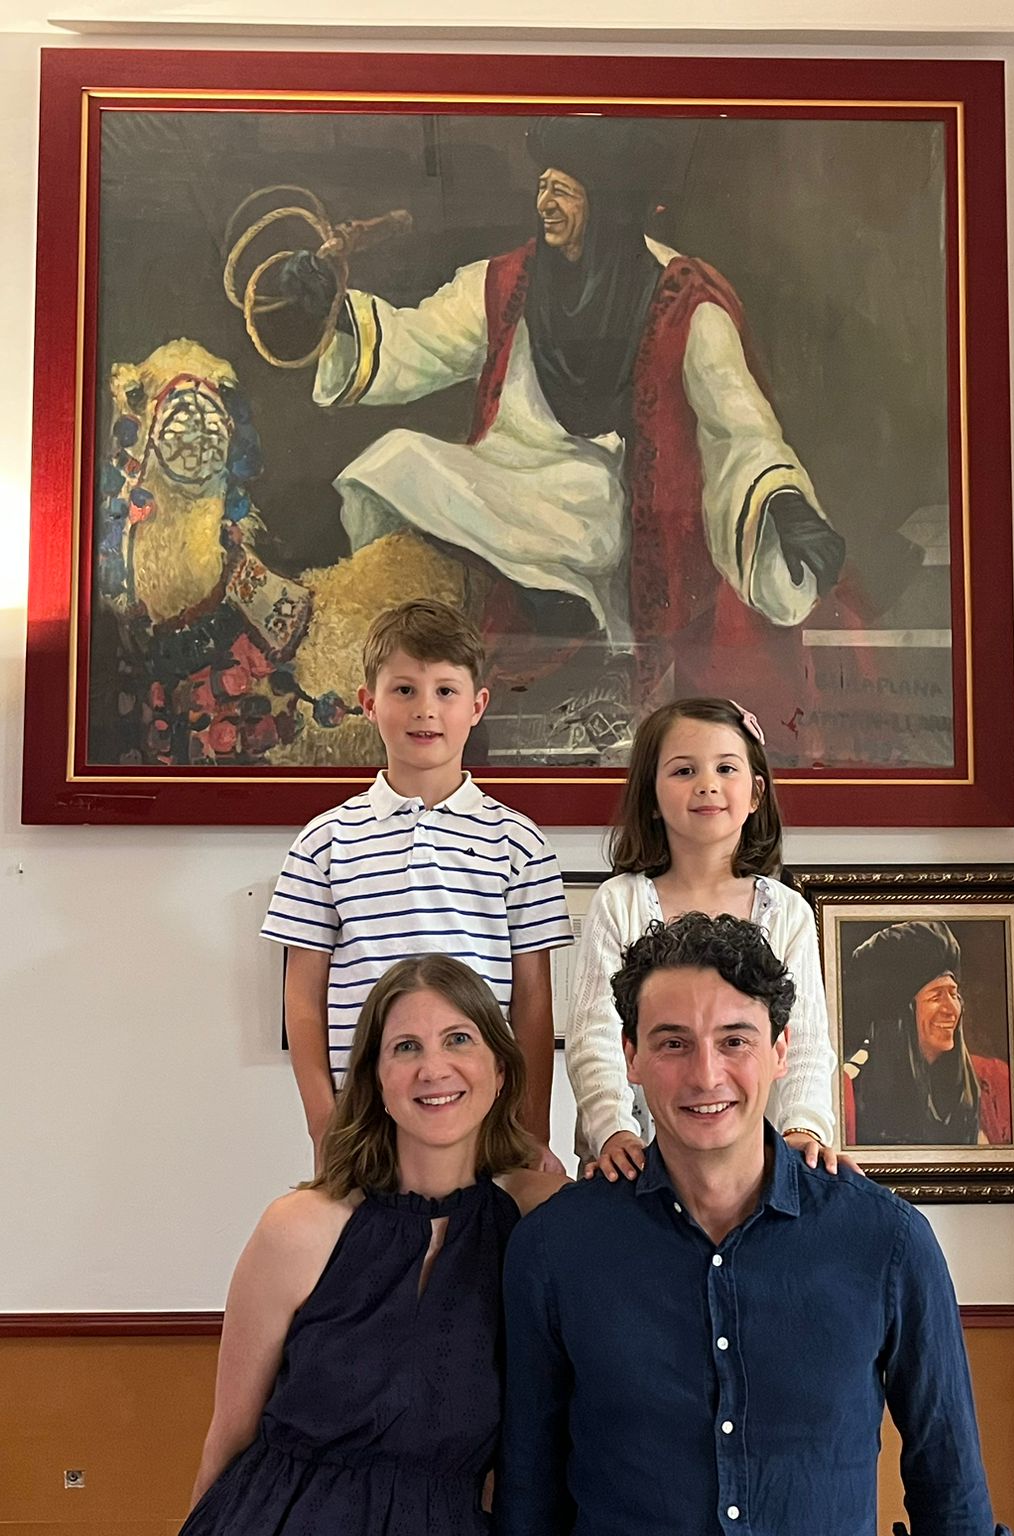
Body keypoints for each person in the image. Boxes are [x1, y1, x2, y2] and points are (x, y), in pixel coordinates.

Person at [271, 116, 847, 706]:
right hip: (505, 473)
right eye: (542, 187)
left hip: (601, 498)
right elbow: (420, 340)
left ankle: (559, 621)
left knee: (575, 518)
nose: (544, 203)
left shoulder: (684, 301)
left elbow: (739, 425)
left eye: (563, 191)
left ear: (606, 205)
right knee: (396, 457)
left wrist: (784, 501)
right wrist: (334, 309)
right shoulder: (510, 280)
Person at [499, 914, 1005, 1536]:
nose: (706, 1075)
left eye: (734, 1040)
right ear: (631, 1057)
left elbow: (952, 1496)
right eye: (673, 1043)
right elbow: (528, 1497)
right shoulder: (555, 1249)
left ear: (780, 1050)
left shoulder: (888, 1242)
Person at [182, 955, 567, 1535]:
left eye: (459, 1039)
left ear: (501, 1071)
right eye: (406, 1047)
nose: (433, 1068)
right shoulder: (297, 1228)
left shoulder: (538, 1222)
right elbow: (228, 1436)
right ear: (376, 1081)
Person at [261, 599, 571, 1170]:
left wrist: (532, 1130)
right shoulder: (323, 842)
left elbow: (533, 998)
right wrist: (323, 1124)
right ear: (369, 704)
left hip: (482, 1120)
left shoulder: (521, 843)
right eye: (404, 690)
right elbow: (302, 996)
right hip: (365, 1125)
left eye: (445, 691)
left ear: (477, 706)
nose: (425, 709)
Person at [565, 697, 842, 1177]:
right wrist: (613, 1130)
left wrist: (804, 1127)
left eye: (726, 768)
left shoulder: (786, 910)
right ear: (651, 798)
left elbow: (806, 1043)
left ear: (756, 793)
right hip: (632, 1163)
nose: (707, 784)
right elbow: (596, 1036)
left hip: (749, 1168)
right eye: (684, 771)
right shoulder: (619, 902)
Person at [843, 919, 1013, 1147]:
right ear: (899, 1016)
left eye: (953, 994)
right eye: (935, 996)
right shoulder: (848, 1095)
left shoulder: (994, 1083)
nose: (951, 1009)